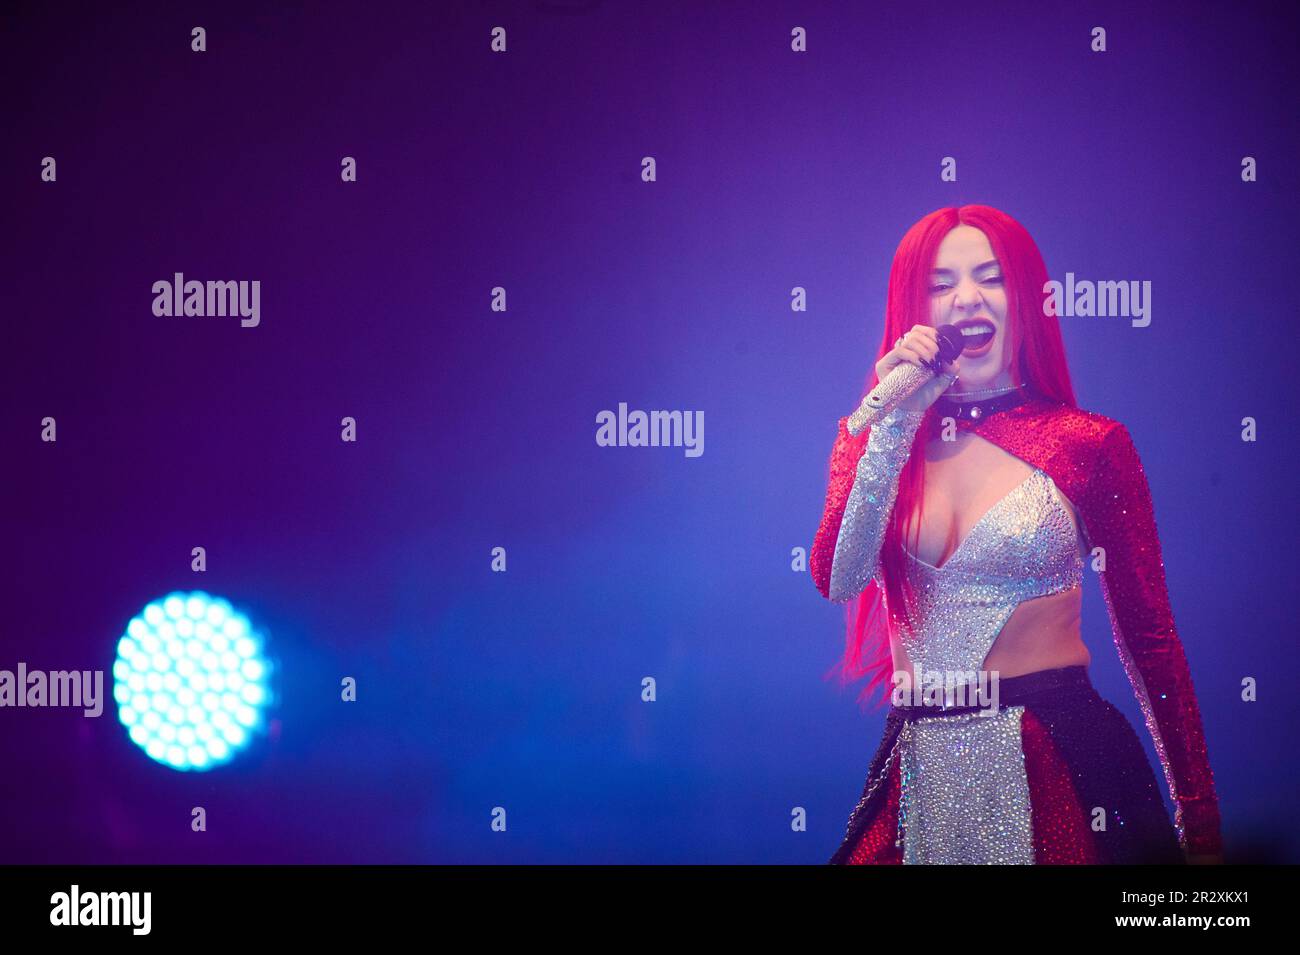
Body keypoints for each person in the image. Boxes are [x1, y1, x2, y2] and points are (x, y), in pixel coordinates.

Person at [810, 205, 1223, 864]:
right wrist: (892, 422)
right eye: (941, 283)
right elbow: (838, 576)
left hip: (1058, 765)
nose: (967, 298)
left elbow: (1151, 639)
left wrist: (1199, 821)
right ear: (912, 309)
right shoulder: (873, 436)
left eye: (990, 277)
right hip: (918, 778)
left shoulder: (1089, 444)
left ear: (1026, 298)